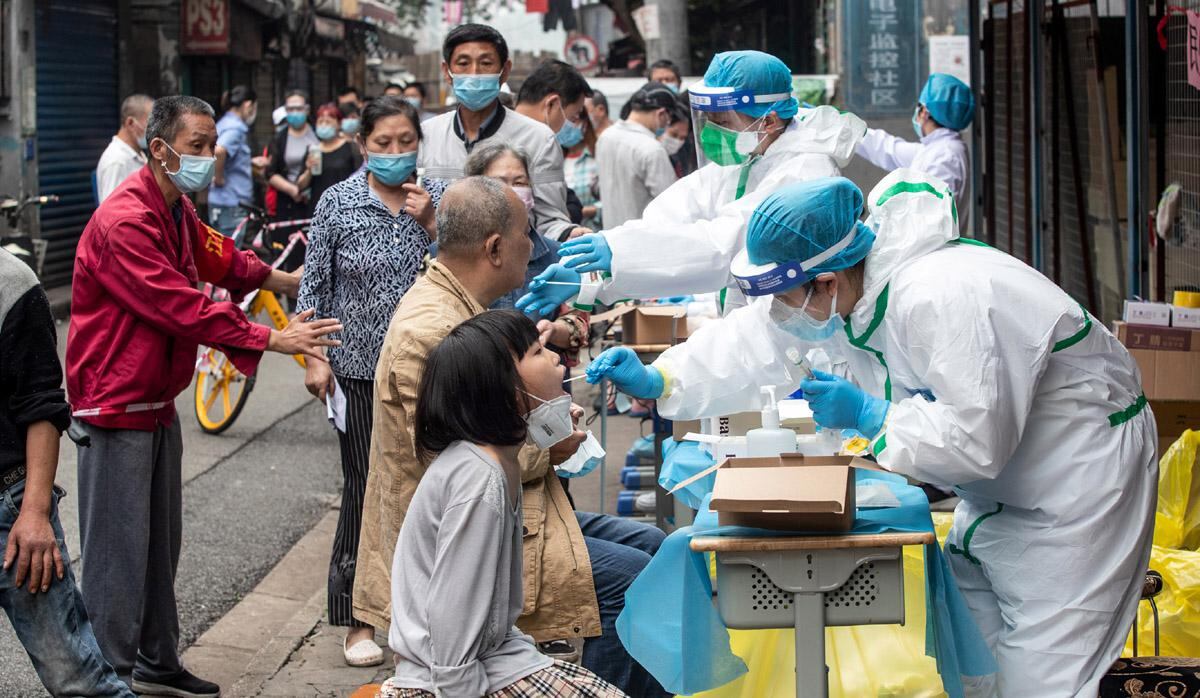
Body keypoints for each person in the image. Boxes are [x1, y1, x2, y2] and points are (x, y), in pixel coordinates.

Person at [587, 172, 1158, 697]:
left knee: (1046, 671)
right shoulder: (845, 292)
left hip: (1077, 478)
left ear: (827, 281)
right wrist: (664, 376)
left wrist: (873, 416)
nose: (782, 313)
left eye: (787, 297)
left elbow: (974, 440)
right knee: (975, 663)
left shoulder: (941, 295)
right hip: (1003, 488)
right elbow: (761, 339)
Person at [66, 95, 341, 697]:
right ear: (159, 149)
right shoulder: (126, 220)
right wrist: (276, 338)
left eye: (211, 143)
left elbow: (219, 256)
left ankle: (157, 662)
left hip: (154, 398)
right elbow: (179, 304)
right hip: (115, 402)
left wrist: (283, 278)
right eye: (197, 146)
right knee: (117, 555)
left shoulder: (175, 208)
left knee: (161, 546)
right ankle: (107, 678)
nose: (208, 155)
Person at [354, 177, 668, 696]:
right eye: (527, 232)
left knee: (656, 545)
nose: (535, 245)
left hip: (521, 507)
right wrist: (553, 438)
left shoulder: (469, 309)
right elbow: (454, 451)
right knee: (631, 581)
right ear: (495, 247)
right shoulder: (431, 331)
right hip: (471, 536)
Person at [377, 310, 626, 698]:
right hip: (451, 682)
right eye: (537, 351)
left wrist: (549, 429)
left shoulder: (496, 459)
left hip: (490, 660)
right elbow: (452, 627)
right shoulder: (480, 479)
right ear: (506, 389)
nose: (555, 357)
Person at [516, 50, 865, 318]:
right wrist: (593, 272)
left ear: (769, 120)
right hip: (752, 328)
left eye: (722, 120)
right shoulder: (746, 161)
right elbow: (668, 218)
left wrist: (617, 254)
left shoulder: (806, 171)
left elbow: (723, 246)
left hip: (803, 330)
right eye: (709, 119)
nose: (712, 130)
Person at [297, 95, 442, 667]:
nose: (395, 152)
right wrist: (315, 357)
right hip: (358, 373)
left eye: (405, 141)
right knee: (363, 489)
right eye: (382, 143)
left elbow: (463, 270)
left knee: (431, 491)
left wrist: (431, 223)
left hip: (430, 373)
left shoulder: (436, 202)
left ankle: (426, 615)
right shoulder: (337, 202)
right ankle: (357, 619)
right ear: (363, 146)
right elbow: (314, 288)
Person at [0, 248, 133, 697]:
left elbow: (41, 405)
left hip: (12, 515)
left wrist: (34, 512)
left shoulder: (12, 282)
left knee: (77, 678)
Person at [419, 24, 586, 242]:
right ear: (447, 72)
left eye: (486, 63)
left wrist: (571, 234)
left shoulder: (538, 139)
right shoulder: (427, 135)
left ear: (504, 71)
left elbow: (550, 220)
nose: (474, 73)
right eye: (463, 63)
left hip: (514, 270)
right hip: (441, 268)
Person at [466, 144, 589, 366]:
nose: (512, 191)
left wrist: (554, 329)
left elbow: (579, 321)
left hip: (543, 386)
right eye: (499, 183)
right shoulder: (455, 254)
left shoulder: (555, 254)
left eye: (520, 182)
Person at [856, 72, 974, 233]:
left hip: (931, 254)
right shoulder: (937, 149)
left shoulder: (945, 156)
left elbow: (926, 222)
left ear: (924, 111)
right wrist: (839, 126)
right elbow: (886, 147)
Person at [594, 82, 681, 229]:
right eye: (669, 119)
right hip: (643, 242)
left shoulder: (605, 137)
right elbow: (672, 205)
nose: (667, 124)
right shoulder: (651, 149)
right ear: (661, 113)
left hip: (610, 238)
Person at [209, 85, 258, 236]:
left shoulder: (223, 123)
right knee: (229, 255)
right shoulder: (236, 128)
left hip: (220, 201)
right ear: (248, 105)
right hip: (232, 202)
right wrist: (219, 178)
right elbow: (219, 151)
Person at [267, 89, 320, 222]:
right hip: (288, 201)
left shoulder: (318, 135)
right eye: (290, 109)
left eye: (299, 108)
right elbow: (270, 173)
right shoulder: (279, 138)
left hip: (316, 198)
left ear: (307, 110)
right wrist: (292, 190)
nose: (295, 112)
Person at [96, 94, 153, 203]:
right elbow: (111, 213)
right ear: (130, 123)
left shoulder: (137, 154)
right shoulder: (116, 162)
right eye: (150, 124)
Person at [309, 103, 365, 205]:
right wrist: (308, 169)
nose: (324, 125)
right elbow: (301, 185)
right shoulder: (313, 150)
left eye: (328, 122)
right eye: (320, 121)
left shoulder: (352, 148)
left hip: (346, 203)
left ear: (339, 124)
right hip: (318, 205)